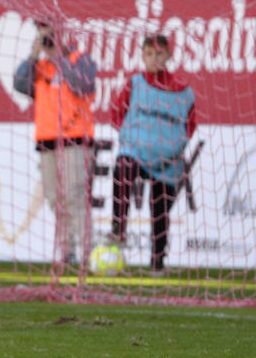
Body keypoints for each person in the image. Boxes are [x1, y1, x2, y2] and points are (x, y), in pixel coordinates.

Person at [12, 18, 96, 268]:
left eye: (49, 34)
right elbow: (19, 85)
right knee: (53, 198)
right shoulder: (39, 66)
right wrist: (33, 55)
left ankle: (87, 252)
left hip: (75, 139)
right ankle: (67, 251)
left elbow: (83, 85)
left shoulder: (79, 58)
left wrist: (58, 55)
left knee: (74, 195)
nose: (46, 38)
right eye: (41, 33)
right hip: (47, 141)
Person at [109, 34, 196, 273]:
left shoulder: (183, 91)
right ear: (142, 56)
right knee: (123, 168)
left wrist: (176, 145)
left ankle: (157, 260)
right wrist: (128, 136)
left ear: (168, 55)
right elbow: (116, 112)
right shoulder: (135, 83)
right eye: (149, 54)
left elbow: (190, 124)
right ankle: (118, 228)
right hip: (136, 151)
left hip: (168, 160)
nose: (154, 58)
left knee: (160, 208)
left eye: (159, 54)